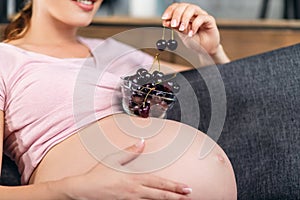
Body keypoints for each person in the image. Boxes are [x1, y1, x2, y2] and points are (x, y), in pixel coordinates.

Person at [0, 0, 237, 199]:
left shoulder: (114, 51)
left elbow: (229, 91)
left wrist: (209, 52)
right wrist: (72, 189)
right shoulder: (6, 59)